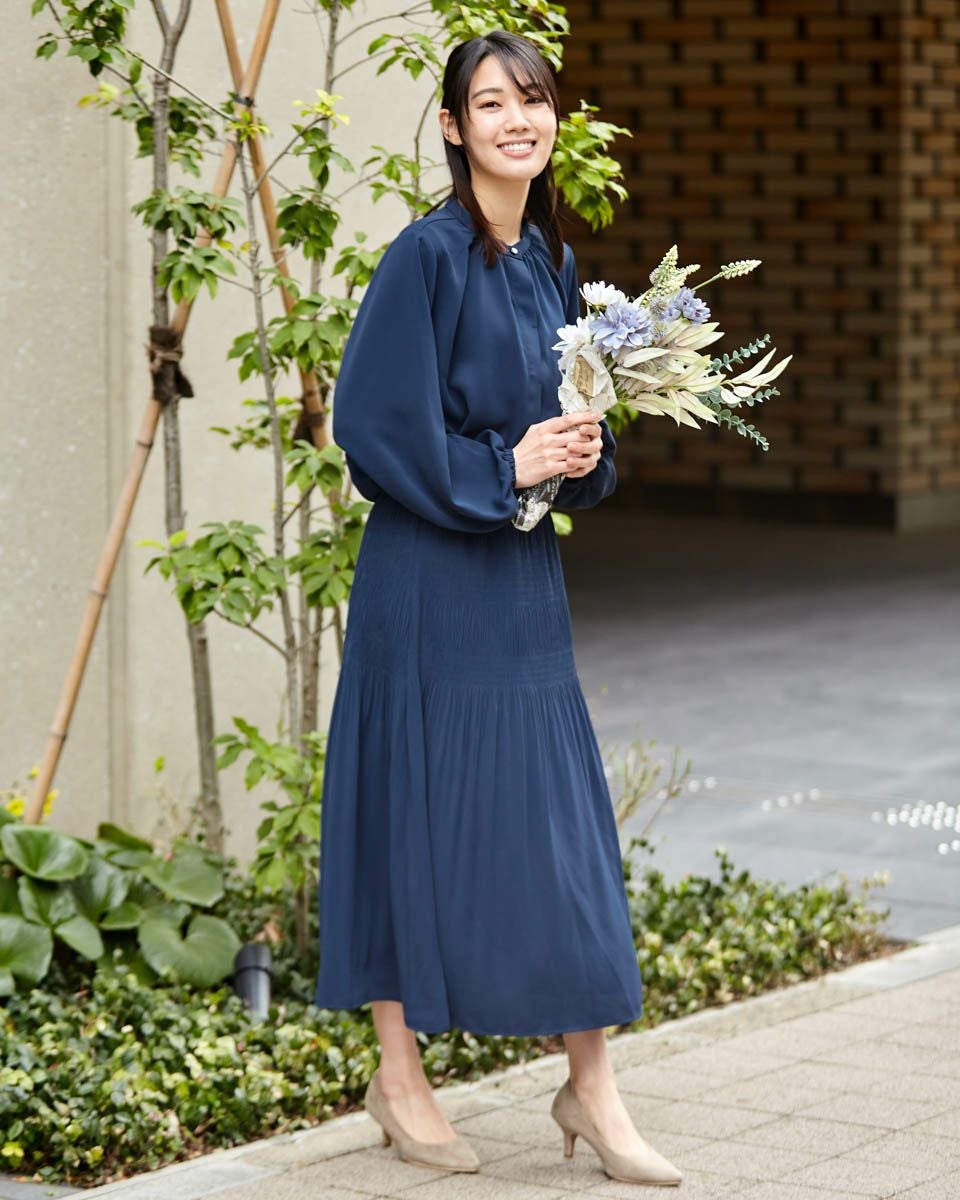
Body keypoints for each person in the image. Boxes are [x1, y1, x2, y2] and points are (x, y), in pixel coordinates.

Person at [314, 28, 682, 1189]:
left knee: (557, 830)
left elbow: (565, 428)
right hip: (425, 586)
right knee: (408, 811)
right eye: (490, 102)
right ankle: (398, 1076)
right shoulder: (422, 258)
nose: (517, 120)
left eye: (533, 100)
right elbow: (372, 428)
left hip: (520, 588)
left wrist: (578, 449)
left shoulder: (551, 263)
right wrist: (503, 464)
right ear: (452, 127)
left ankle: (591, 1085)